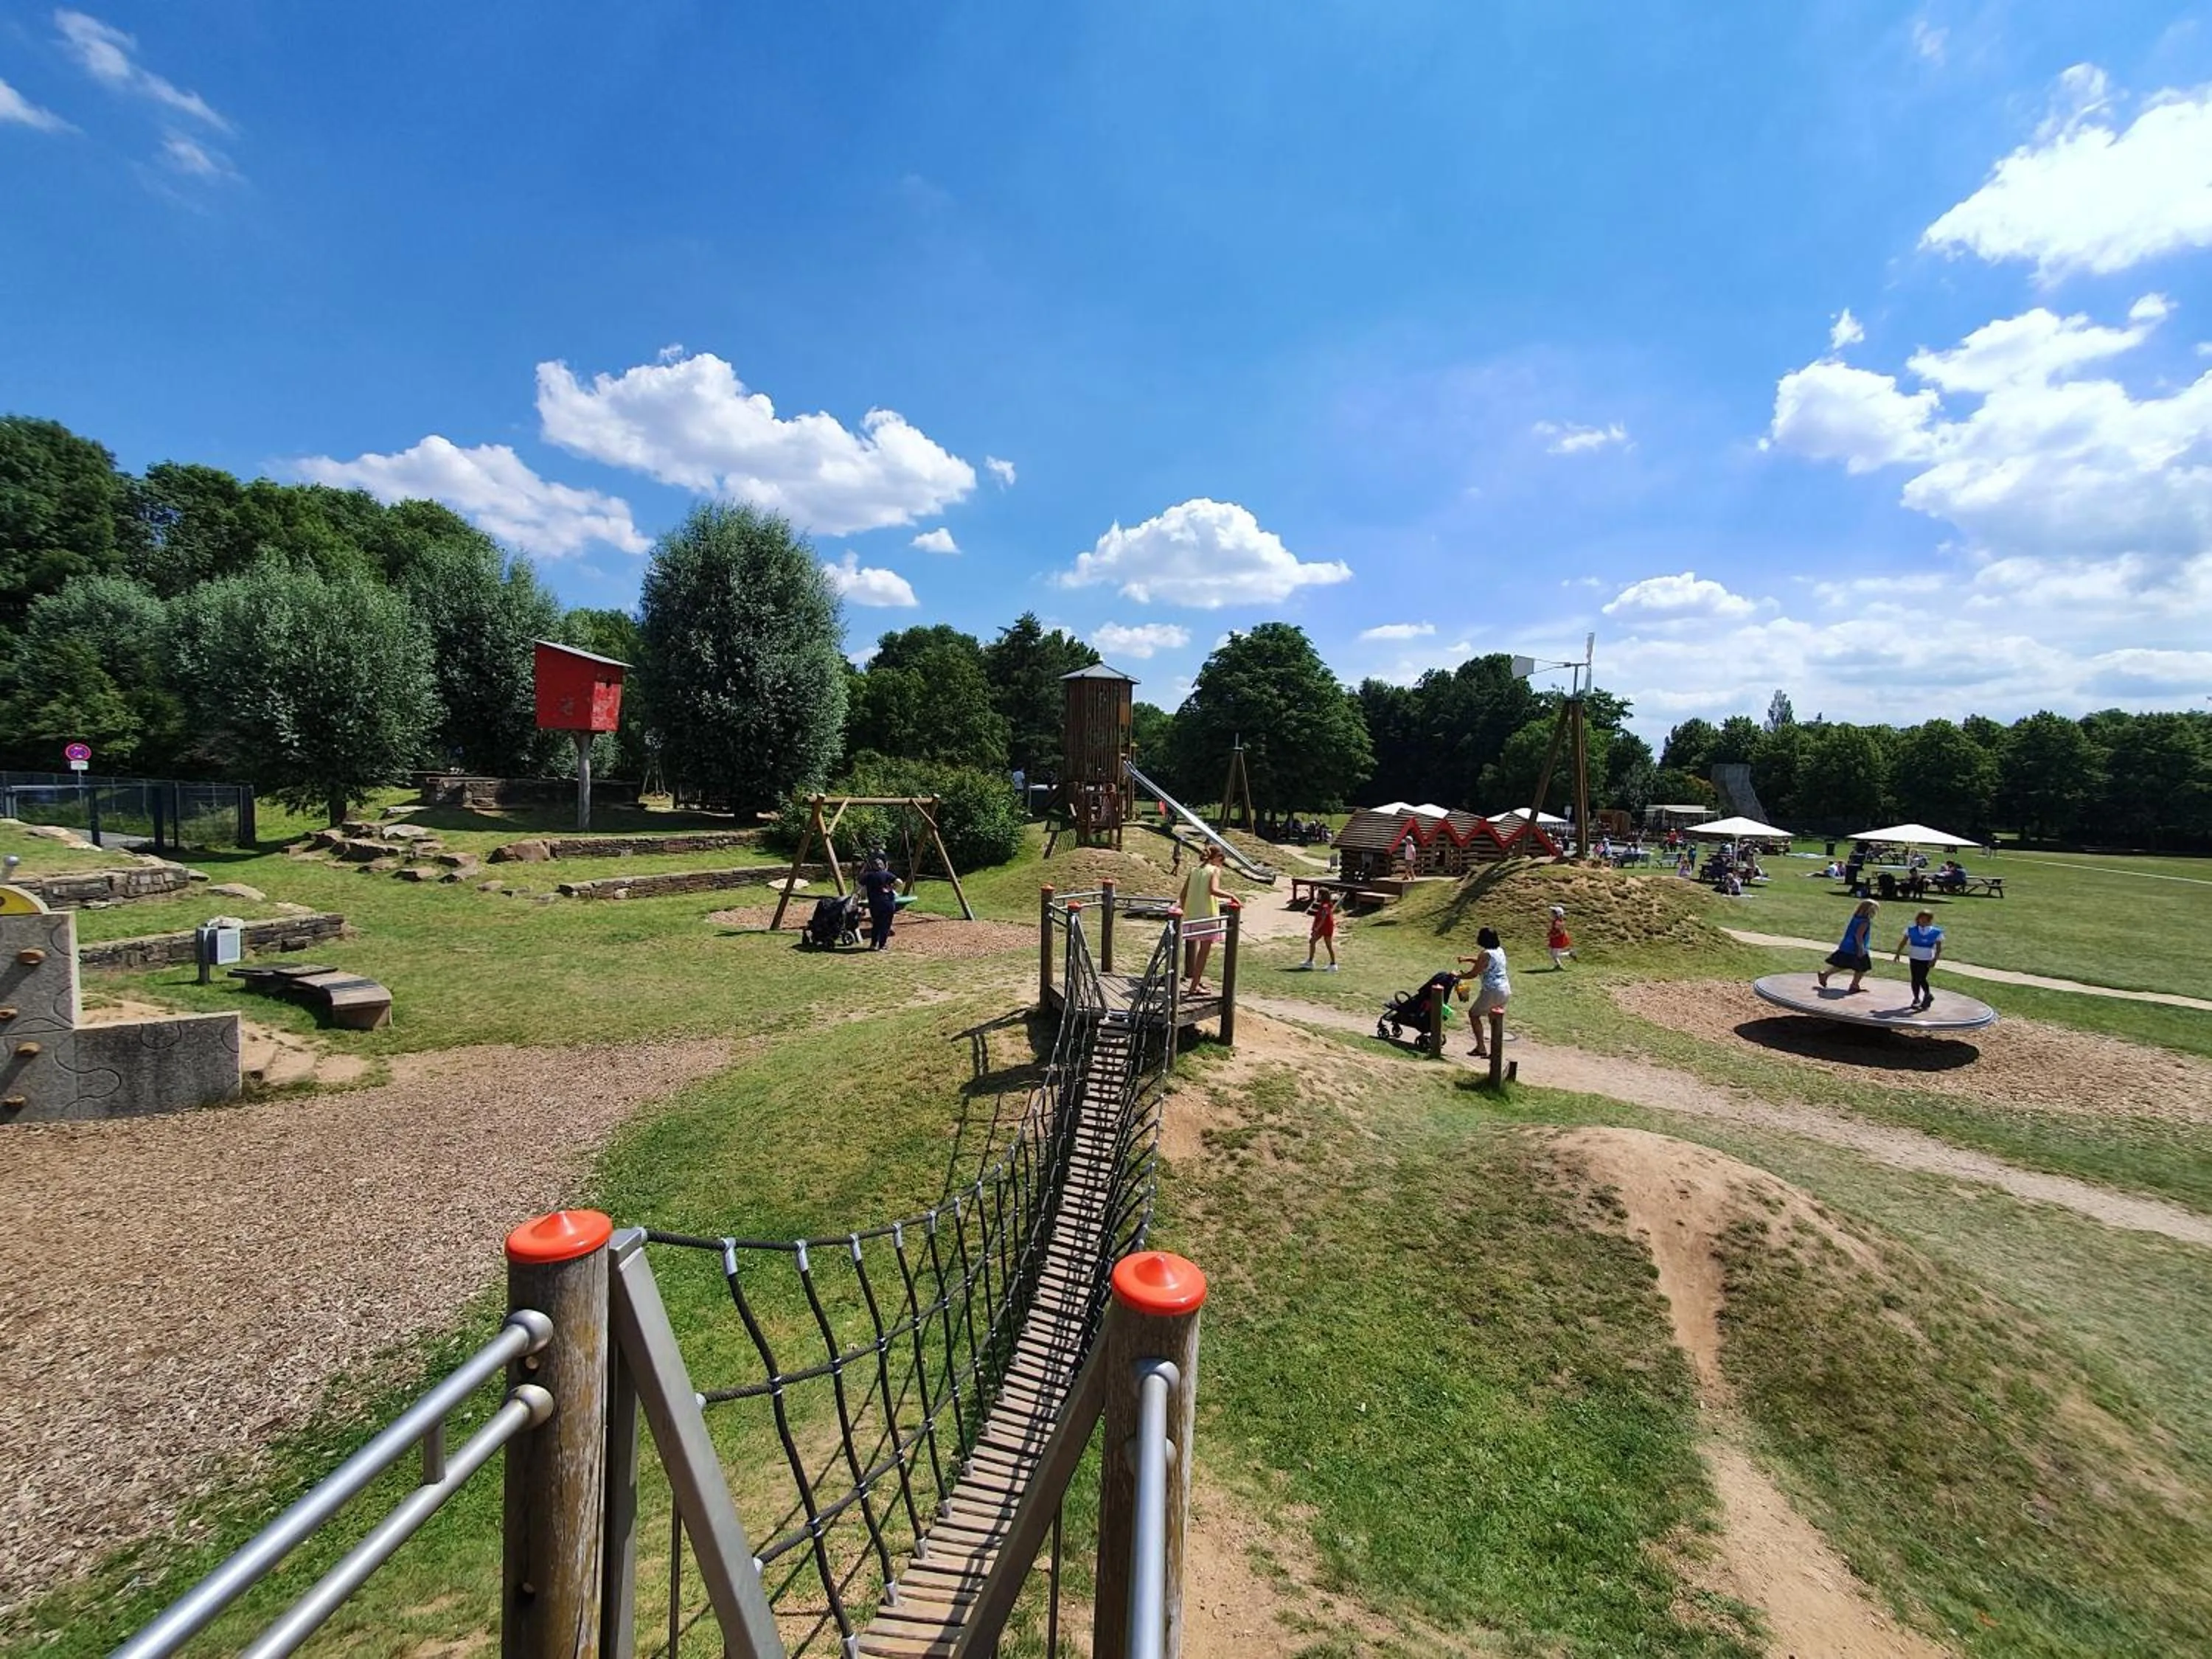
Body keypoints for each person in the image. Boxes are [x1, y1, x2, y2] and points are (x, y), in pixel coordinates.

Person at [1180, 844, 1228, 993]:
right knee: (1203, 953)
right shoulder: (1214, 870)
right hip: (1208, 915)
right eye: (1222, 861)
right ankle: (1194, 987)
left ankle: (1196, 982)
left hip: (1192, 915)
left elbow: (1183, 895)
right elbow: (1213, 890)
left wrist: (1185, 910)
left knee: (1191, 949)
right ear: (1218, 858)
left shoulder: (1194, 870)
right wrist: (1232, 896)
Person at [1459, 926, 1512, 1057]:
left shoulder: (1485, 954)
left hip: (1492, 990)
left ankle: (1481, 1047)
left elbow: (1474, 973)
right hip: (1504, 989)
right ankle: (1496, 1052)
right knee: (1494, 1019)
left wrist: (1457, 976)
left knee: (1474, 1014)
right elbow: (1484, 963)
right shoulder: (1500, 951)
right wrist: (1467, 959)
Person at [1818, 898, 1879, 993]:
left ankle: (1825, 975)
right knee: (1863, 967)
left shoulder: (1855, 918)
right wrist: (1861, 949)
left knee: (1843, 964)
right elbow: (1858, 936)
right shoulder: (1865, 922)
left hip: (1847, 945)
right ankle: (1854, 985)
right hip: (1856, 948)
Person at [1893, 909, 1945, 1011]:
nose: (1923, 922)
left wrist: (1935, 960)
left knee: (1921, 978)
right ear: (1918, 919)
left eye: (1926, 920)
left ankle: (1927, 995)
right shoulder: (1911, 930)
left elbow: (1939, 948)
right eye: (1921, 919)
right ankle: (1916, 998)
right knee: (1914, 979)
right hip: (1914, 957)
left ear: (1930, 921)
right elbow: (1903, 942)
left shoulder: (1936, 932)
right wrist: (1898, 953)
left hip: (1926, 958)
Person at [858, 853, 900, 951]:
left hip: (874, 904)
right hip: (887, 903)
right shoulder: (887, 874)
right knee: (886, 925)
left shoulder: (868, 876)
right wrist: (892, 888)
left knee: (876, 923)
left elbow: (858, 887)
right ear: (882, 866)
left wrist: (854, 898)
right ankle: (882, 945)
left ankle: (873, 945)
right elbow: (899, 882)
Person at [1300, 890, 1339, 971]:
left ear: (1322, 895)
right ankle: (1332, 964)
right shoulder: (1325, 905)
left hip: (1324, 928)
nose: (1317, 896)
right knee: (1318, 943)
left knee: (1315, 941)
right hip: (1327, 927)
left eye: (1319, 894)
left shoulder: (1325, 906)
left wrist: (1317, 928)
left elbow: (1323, 918)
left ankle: (1311, 962)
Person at [1546, 904, 1576, 969]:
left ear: (1557, 914)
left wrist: (1552, 935)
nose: (1551, 914)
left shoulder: (1557, 922)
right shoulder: (1556, 921)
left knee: (1554, 954)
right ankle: (1559, 964)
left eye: (1553, 913)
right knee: (1552, 953)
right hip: (1556, 939)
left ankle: (1568, 955)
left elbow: (1560, 932)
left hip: (1558, 940)